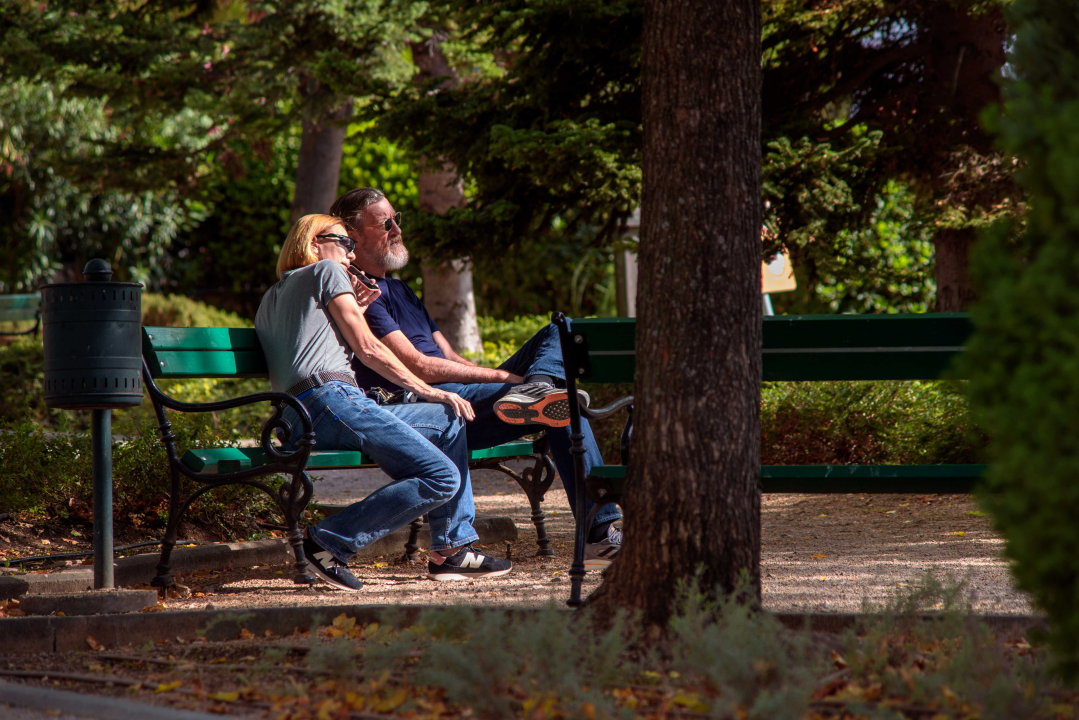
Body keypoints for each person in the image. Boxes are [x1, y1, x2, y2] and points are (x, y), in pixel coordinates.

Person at [328, 188, 623, 569]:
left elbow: (449, 357)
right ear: (353, 232)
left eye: (397, 218)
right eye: (386, 223)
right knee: (561, 408)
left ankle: (540, 387)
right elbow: (419, 367)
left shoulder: (400, 288)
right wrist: (503, 377)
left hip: (465, 396)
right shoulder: (360, 293)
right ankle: (602, 531)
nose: (397, 228)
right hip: (428, 405)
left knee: (560, 334)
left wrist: (515, 382)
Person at [255, 214, 512, 591]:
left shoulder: (272, 296)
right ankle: (329, 541)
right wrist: (427, 388)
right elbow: (369, 348)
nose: (350, 254)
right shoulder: (325, 270)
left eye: (352, 247)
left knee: (448, 417)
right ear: (313, 245)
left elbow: (310, 349)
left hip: (298, 417)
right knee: (442, 476)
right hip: (330, 401)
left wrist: (354, 310)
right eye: (343, 243)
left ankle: (452, 549)